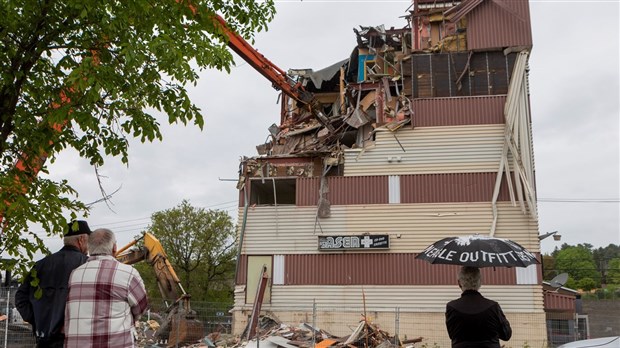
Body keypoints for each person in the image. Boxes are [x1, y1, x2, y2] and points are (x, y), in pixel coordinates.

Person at [64, 228, 149, 348]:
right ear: (114, 247)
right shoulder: (128, 273)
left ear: (89, 247)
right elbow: (141, 308)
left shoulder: (75, 275)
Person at [15, 220, 91, 348]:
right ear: (82, 239)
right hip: (75, 339)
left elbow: (20, 298)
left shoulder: (40, 265)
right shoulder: (87, 265)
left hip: (44, 339)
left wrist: (37, 320)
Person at [445, 266, 512, 348]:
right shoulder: (493, 307)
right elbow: (506, 335)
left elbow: (452, 336)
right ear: (480, 282)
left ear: (459, 283)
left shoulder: (451, 307)